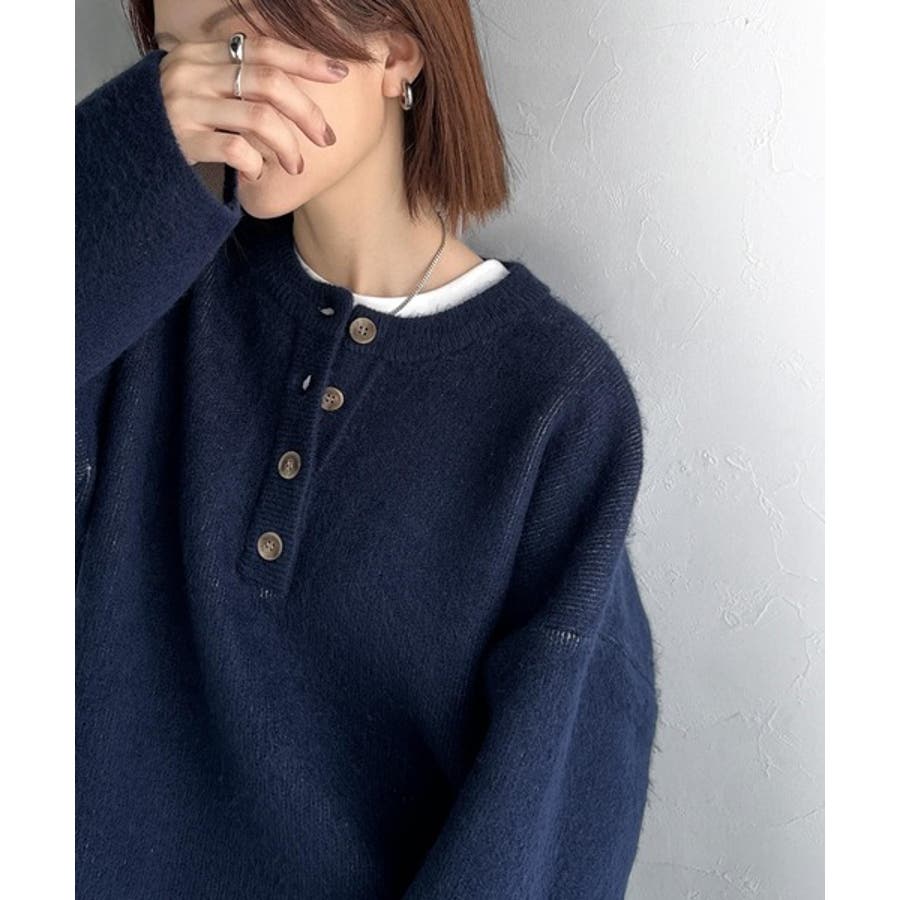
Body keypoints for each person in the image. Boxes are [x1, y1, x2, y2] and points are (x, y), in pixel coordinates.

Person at [75, 0, 658, 896]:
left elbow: (543, 824)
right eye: (172, 57)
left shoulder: (555, 404)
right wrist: (124, 151)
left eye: (237, 42)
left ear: (395, 54)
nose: (204, 88)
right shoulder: (132, 303)